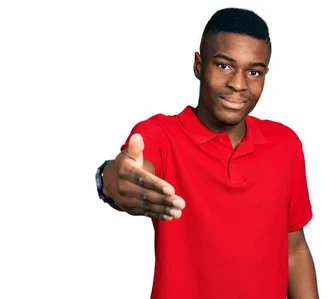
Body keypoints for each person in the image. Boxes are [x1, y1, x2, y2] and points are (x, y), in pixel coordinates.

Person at [94, 7, 319, 299]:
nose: (238, 84)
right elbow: (130, 171)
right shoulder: (162, 135)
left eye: (253, 72)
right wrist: (108, 179)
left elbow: (294, 249)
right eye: (224, 66)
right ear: (199, 65)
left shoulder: (285, 144)